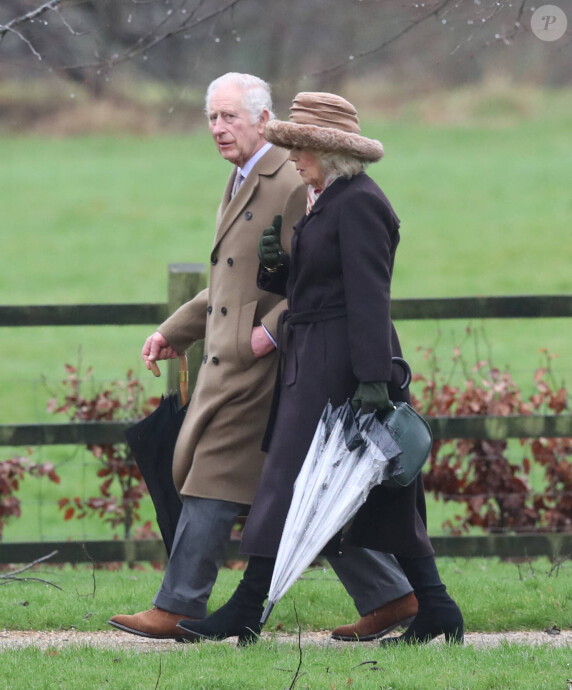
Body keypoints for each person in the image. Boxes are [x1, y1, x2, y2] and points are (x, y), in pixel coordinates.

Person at [109, 76, 416, 643]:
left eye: (229, 117)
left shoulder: (295, 179)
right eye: (212, 118)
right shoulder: (240, 179)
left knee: (215, 479)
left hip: (272, 369)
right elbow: (231, 283)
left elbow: (324, 282)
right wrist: (175, 330)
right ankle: (394, 595)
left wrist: (270, 334)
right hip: (230, 360)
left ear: (263, 118)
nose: (218, 129)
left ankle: (179, 604)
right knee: (300, 493)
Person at [178, 92, 464, 647]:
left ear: (327, 153)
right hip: (313, 358)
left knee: (291, 483)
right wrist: (279, 269)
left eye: (300, 148)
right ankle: (436, 607)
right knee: (372, 492)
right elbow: (320, 286)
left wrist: (374, 379)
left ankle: (247, 607)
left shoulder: (360, 204)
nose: (293, 158)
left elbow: (368, 296)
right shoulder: (327, 199)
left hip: (341, 366)